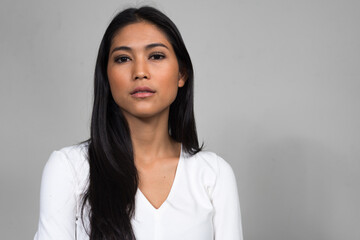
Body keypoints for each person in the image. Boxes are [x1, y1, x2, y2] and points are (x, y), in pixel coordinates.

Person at [34, 6, 243, 240]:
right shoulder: (69, 169)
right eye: (123, 59)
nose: (140, 72)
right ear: (106, 76)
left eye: (156, 56)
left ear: (181, 74)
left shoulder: (213, 175)